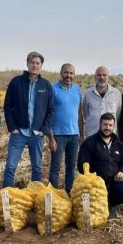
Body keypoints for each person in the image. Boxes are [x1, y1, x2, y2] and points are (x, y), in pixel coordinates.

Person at [1, 51, 55, 188]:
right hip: (19, 132)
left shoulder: (46, 85)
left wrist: (43, 130)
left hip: (36, 134)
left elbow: (51, 110)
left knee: (36, 168)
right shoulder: (16, 82)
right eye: (32, 62)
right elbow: (7, 106)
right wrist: (12, 128)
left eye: (37, 63)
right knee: (10, 166)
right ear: (27, 64)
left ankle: (35, 194)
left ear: (41, 66)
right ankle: (6, 195)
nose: (35, 65)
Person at [77, 113, 123, 216]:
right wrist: (92, 179)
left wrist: (121, 171)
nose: (107, 128)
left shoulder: (118, 144)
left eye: (110, 125)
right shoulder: (89, 143)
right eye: (105, 124)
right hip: (95, 185)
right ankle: (101, 204)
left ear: (114, 126)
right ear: (100, 124)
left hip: (114, 182)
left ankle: (112, 203)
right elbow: (81, 165)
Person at [48, 63, 84, 193]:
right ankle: (53, 194)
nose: (68, 75)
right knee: (55, 167)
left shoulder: (77, 90)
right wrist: (51, 138)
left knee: (71, 166)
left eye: (71, 73)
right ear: (61, 73)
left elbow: (80, 114)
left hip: (74, 135)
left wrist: (82, 134)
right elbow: (48, 114)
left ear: (74, 75)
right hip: (58, 135)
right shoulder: (53, 89)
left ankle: (69, 192)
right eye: (66, 72)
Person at [81, 66, 122, 139]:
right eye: (99, 75)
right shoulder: (88, 93)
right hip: (92, 135)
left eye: (104, 75)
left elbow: (118, 114)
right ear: (95, 77)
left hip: (110, 137)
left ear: (108, 77)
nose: (102, 77)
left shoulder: (116, 94)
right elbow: (85, 114)